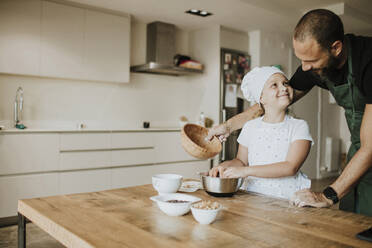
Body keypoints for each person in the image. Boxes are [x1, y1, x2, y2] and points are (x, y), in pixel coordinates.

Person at [206, 9, 372, 216]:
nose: (304, 68)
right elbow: (267, 104)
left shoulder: (368, 63)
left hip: (369, 144)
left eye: (311, 61)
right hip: (362, 145)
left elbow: (370, 146)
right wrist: (228, 126)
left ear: (336, 48)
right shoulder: (312, 65)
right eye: (301, 59)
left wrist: (327, 195)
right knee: (352, 212)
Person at [209, 66, 313, 200]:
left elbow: (290, 167)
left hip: (286, 197)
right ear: (261, 98)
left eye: (285, 83)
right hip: (253, 194)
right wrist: (223, 167)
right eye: (274, 85)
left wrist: (245, 171)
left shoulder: (299, 126)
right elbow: (241, 161)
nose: (283, 88)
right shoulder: (250, 127)